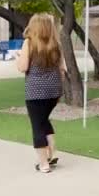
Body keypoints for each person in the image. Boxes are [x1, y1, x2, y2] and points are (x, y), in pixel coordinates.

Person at [15, 13, 66, 174]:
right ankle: (52, 151)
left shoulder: (29, 43)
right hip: (54, 90)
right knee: (43, 120)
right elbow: (62, 69)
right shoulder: (56, 44)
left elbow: (23, 67)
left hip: (36, 91)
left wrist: (17, 57)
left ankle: (43, 163)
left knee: (37, 125)